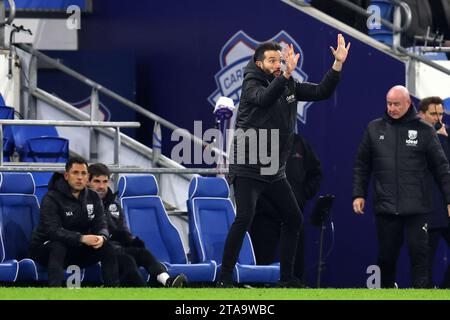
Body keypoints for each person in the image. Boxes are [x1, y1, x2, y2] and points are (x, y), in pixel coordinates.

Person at [219, 34, 350, 287]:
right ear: (259, 64)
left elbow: (322, 91)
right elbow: (264, 98)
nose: (277, 64)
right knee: (244, 217)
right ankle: (224, 278)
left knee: (294, 219)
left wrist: (337, 65)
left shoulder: (288, 85)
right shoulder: (251, 83)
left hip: (273, 170)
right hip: (247, 165)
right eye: (272, 61)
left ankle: (287, 279)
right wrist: (286, 76)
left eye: (280, 60)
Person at [352, 86, 450, 288]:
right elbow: (362, 164)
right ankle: (387, 292)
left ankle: (420, 294)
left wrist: (449, 199)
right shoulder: (374, 128)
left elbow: (442, 168)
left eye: (396, 104)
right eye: (389, 103)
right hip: (386, 206)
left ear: (408, 103)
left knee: (419, 256)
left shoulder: (425, 130)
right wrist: (359, 194)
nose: (392, 108)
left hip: (418, 208)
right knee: (386, 257)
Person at [88, 163, 187, 288]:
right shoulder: (85, 203)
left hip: (118, 247)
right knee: (128, 261)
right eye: (97, 181)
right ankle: (143, 292)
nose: (101, 186)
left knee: (143, 253)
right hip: (100, 251)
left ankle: (168, 281)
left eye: (105, 182)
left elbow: (123, 229)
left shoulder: (114, 203)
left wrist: (130, 240)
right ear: (88, 182)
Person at [29, 157, 120, 287]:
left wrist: (102, 236)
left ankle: (113, 292)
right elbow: (53, 231)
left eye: (83, 173)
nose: (79, 177)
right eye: (75, 173)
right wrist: (81, 238)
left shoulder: (93, 197)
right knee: (58, 245)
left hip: (76, 248)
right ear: (66, 175)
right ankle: (54, 291)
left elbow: (101, 223)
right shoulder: (51, 198)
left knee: (107, 246)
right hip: (45, 248)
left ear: (87, 176)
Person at [250, 133, 322, 285]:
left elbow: (316, 173)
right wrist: (261, 198)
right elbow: (249, 175)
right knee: (259, 267)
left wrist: (301, 196)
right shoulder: (260, 141)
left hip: (293, 214)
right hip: (265, 215)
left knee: (296, 272)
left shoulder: (300, 142)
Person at [418, 96, 450, 288]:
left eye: (441, 114)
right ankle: (428, 292)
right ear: (421, 115)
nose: (438, 119)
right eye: (433, 114)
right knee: (425, 260)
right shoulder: (414, 136)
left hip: (446, 207)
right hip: (427, 210)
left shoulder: (446, 136)